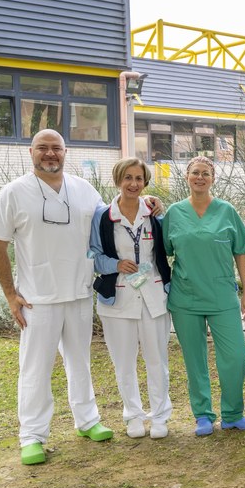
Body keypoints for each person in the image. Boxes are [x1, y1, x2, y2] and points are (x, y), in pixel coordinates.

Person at [0, 129, 115, 464]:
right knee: (35, 370)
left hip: (78, 294)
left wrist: (149, 203)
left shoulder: (84, 190)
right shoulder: (14, 192)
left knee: (80, 363)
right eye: (43, 147)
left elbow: (112, 219)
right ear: (31, 152)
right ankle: (32, 436)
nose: (50, 153)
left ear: (65, 152)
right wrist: (10, 294)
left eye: (56, 148)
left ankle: (88, 420)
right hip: (36, 299)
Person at [163, 156, 245, 437]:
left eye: (206, 173)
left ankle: (233, 414)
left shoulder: (227, 211)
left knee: (236, 356)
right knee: (195, 360)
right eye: (195, 172)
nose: (200, 177)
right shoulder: (174, 213)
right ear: (187, 177)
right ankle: (203, 415)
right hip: (186, 297)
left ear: (213, 178)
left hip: (222, 296)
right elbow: (163, 251)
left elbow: (240, 253)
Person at [90, 158, 173, 439]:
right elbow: (92, 255)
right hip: (118, 298)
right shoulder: (102, 217)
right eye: (128, 177)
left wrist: (161, 209)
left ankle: (160, 416)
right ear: (118, 180)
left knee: (157, 360)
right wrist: (115, 264)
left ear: (145, 182)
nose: (133, 184)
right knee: (124, 363)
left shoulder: (154, 213)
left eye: (139, 178)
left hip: (154, 296)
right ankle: (133, 416)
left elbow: (168, 246)